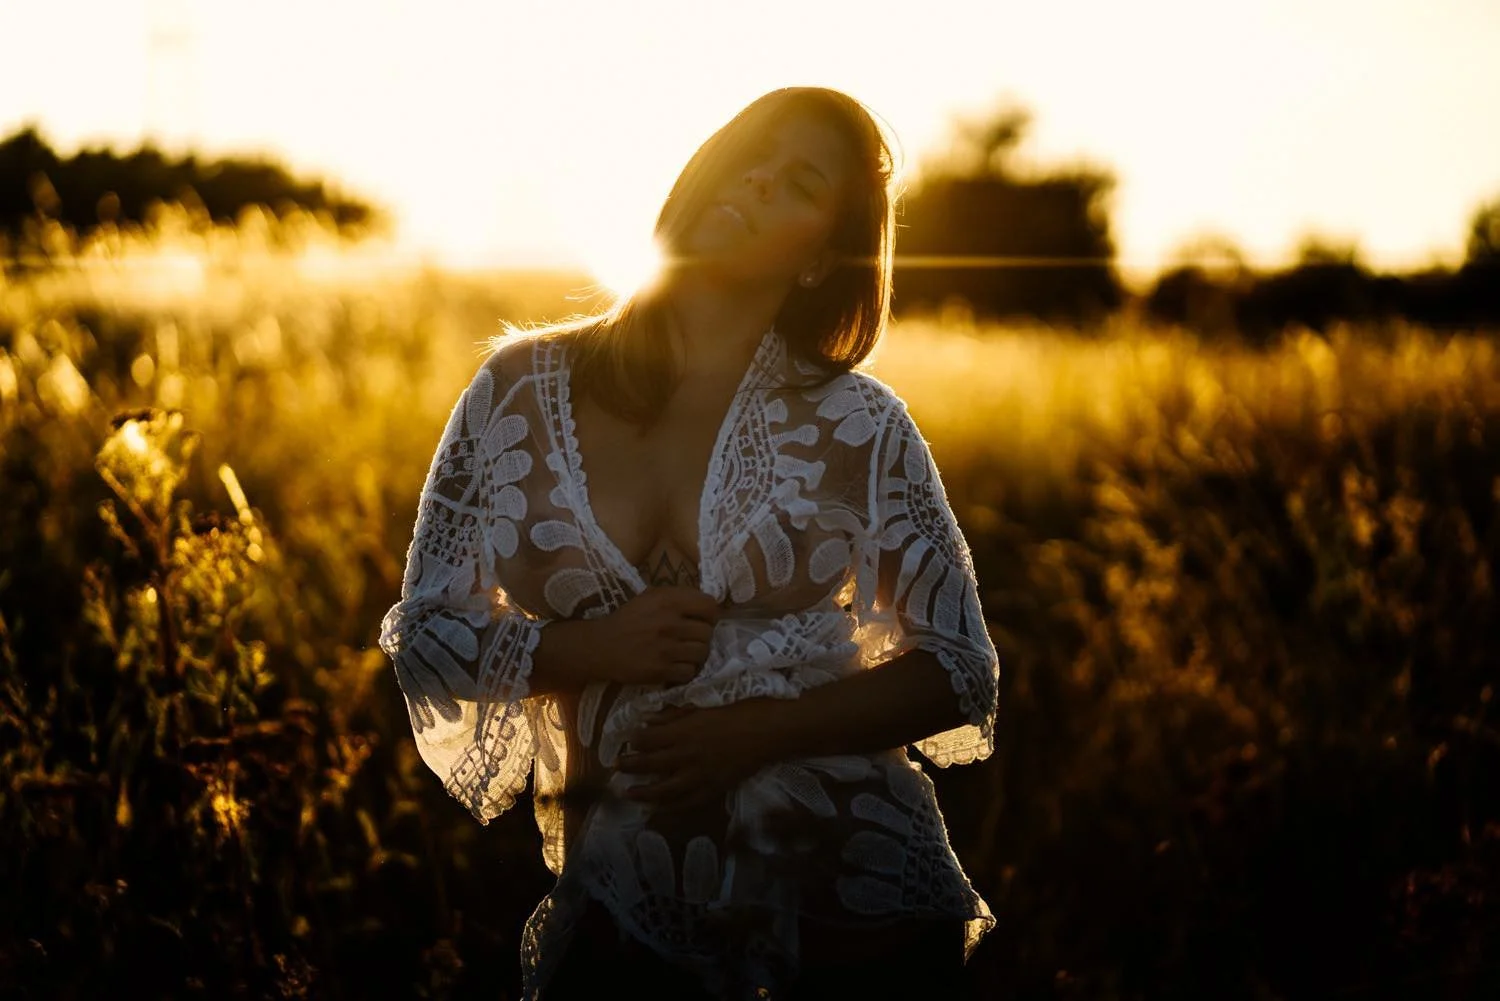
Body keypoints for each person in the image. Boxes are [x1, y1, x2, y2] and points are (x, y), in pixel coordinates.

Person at [378, 86, 1001, 1001]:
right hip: (621, 903)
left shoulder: (859, 425)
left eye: (798, 182)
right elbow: (427, 633)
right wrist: (589, 647)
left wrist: (757, 732)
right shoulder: (516, 391)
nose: (756, 177)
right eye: (753, 150)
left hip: (852, 912)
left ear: (820, 258)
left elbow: (959, 668)